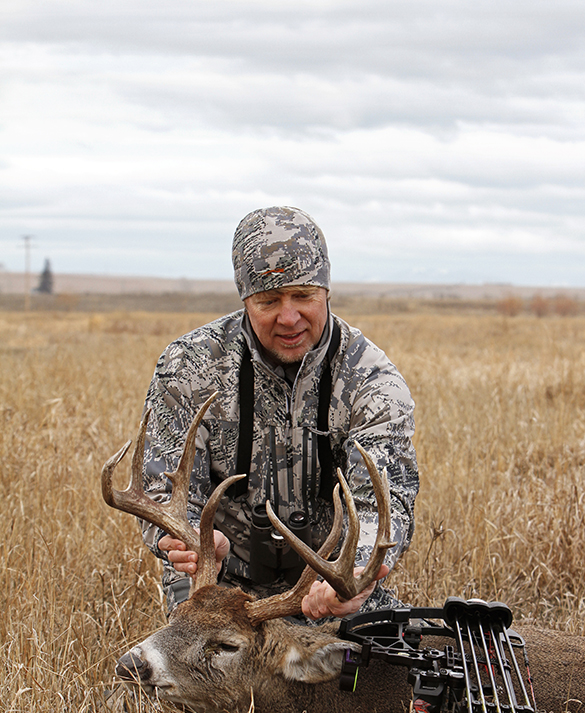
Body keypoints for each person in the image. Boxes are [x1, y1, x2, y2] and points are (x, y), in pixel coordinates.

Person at [141, 206, 419, 621]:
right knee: (195, 675)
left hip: (329, 584)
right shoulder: (189, 368)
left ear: (327, 291)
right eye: (268, 301)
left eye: (304, 296)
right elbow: (162, 490)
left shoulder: (372, 381)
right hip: (218, 582)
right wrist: (188, 541)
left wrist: (353, 573)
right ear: (245, 300)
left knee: (377, 669)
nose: (289, 318)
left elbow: (386, 506)